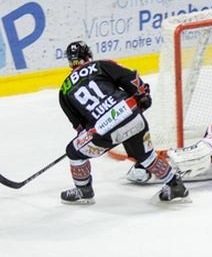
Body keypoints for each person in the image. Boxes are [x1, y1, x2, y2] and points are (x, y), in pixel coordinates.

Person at [58, 40, 188, 204]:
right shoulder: (101, 65)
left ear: (70, 62)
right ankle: (175, 184)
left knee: (73, 152)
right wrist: (142, 96)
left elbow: (80, 127)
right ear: (88, 55)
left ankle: (84, 190)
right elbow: (131, 78)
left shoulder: (64, 90)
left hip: (105, 132)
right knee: (146, 157)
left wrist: (97, 134)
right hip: (133, 117)